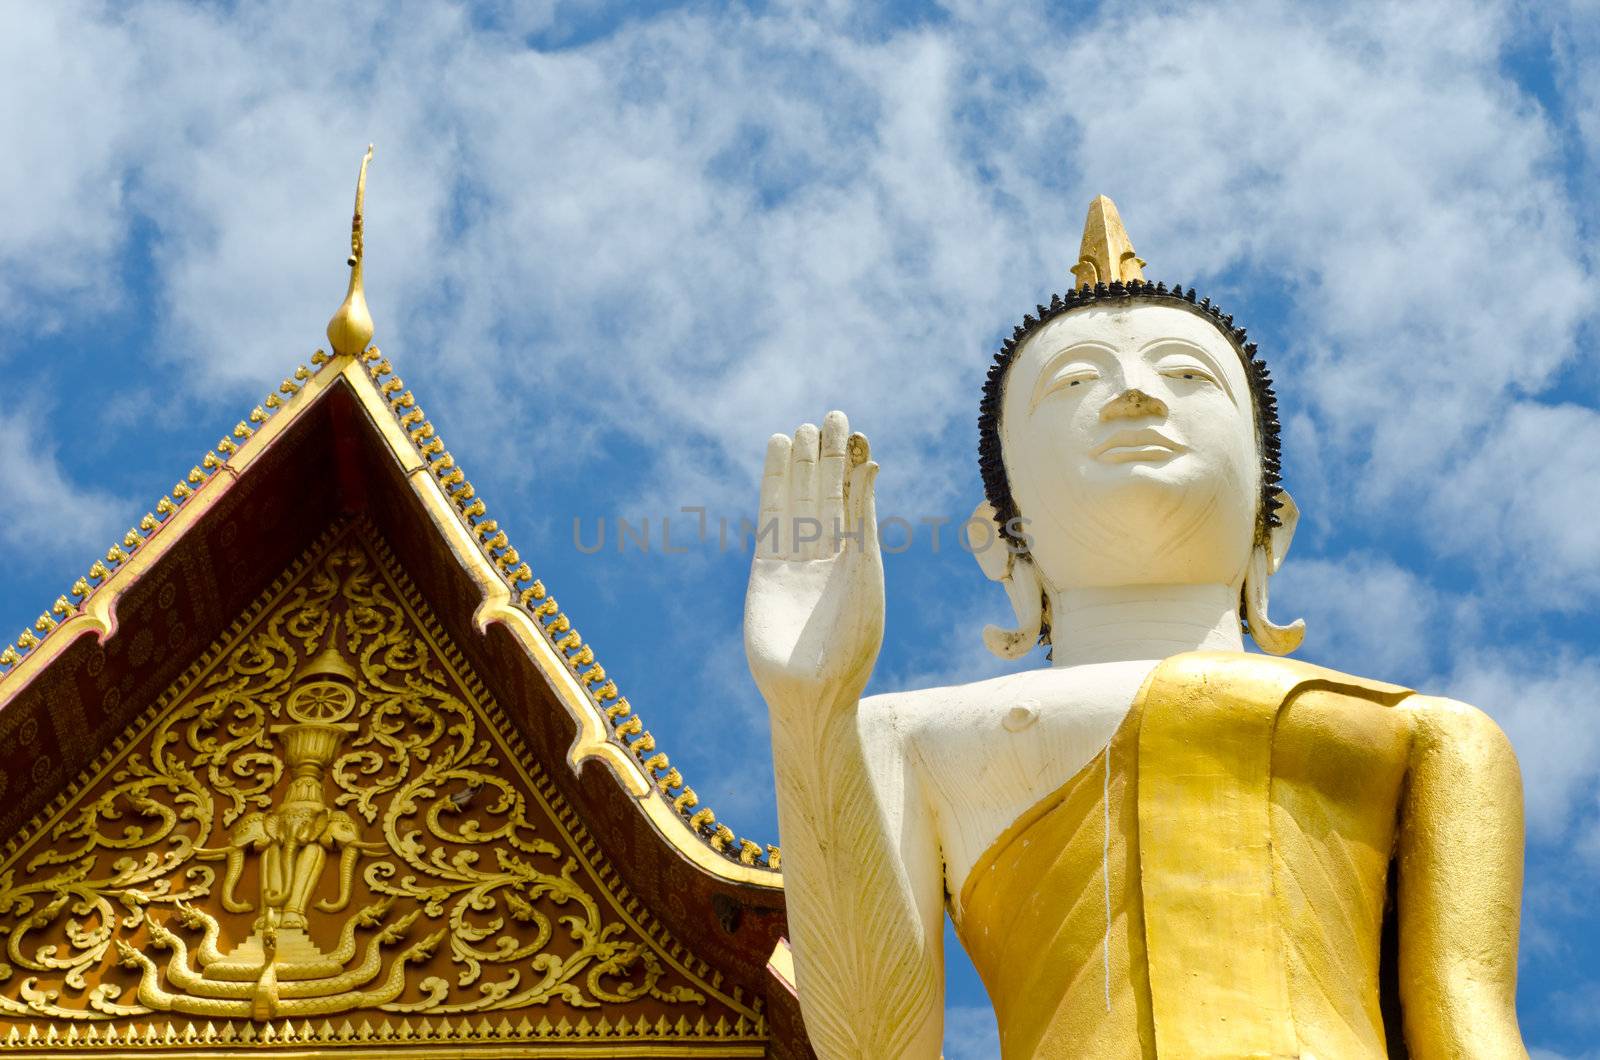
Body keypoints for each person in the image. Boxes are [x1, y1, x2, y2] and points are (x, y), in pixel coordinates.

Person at [744, 197, 1528, 1059]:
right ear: (1002, 545)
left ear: (1273, 529)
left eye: (1189, 376)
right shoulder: (907, 734)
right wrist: (808, 710)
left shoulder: (1421, 733)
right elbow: (871, 1048)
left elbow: (1468, 1023)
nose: (1134, 395)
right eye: (1076, 382)